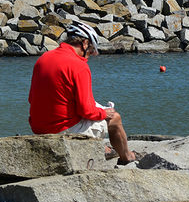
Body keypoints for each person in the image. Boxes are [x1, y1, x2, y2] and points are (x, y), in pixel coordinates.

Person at [28, 22, 137, 164]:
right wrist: (105, 114)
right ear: (85, 43)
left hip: (38, 127)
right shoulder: (79, 65)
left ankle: (102, 148)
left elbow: (31, 98)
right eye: (91, 50)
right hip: (60, 130)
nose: (90, 55)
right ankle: (126, 157)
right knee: (114, 118)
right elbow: (85, 110)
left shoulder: (44, 58)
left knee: (96, 108)